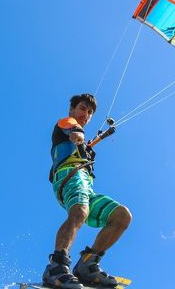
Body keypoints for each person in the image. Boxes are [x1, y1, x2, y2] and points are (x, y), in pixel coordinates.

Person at [42, 93, 132, 289]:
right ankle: (56, 267)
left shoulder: (84, 144)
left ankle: (88, 264)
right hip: (68, 177)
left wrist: (87, 144)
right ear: (72, 109)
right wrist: (77, 133)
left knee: (122, 216)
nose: (86, 114)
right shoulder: (65, 123)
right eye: (83, 108)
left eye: (90, 112)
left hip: (86, 186)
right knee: (80, 211)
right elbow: (72, 128)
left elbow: (82, 142)